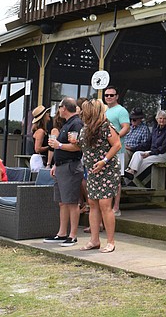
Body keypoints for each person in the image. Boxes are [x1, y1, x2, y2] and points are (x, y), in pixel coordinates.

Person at [77, 98, 122, 253]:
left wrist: (104, 160)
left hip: (107, 169)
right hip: (92, 170)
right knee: (92, 203)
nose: (82, 113)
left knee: (104, 204)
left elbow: (117, 145)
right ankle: (94, 241)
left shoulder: (105, 126)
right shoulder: (86, 128)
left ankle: (110, 242)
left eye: (85, 110)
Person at [44, 96, 84, 247]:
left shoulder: (76, 124)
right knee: (62, 202)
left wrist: (58, 145)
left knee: (72, 202)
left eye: (59, 107)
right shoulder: (68, 124)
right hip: (61, 166)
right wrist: (56, 164)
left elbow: (77, 147)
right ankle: (61, 233)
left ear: (64, 108)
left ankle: (72, 235)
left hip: (71, 166)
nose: (59, 110)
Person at [124, 110, 166, 183]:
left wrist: (150, 153)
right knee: (137, 154)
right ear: (157, 119)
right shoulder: (155, 130)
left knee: (143, 161)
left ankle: (127, 179)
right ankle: (130, 171)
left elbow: (164, 148)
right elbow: (147, 143)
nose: (162, 120)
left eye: (164, 118)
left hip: (163, 154)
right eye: (160, 118)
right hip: (153, 153)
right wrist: (132, 148)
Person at [103, 86, 130, 217]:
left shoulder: (121, 110)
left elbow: (126, 127)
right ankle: (106, 207)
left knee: (116, 179)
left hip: (117, 150)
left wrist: (116, 137)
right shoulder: (103, 110)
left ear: (117, 96)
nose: (108, 97)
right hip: (103, 150)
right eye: (106, 95)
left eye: (111, 95)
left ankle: (116, 207)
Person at [30, 105, 51, 171]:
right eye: (47, 112)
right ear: (43, 116)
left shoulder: (40, 130)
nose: (49, 114)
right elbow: (37, 149)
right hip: (39, 160)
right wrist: (50, 146)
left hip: (39, 159)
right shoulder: (40, 131)